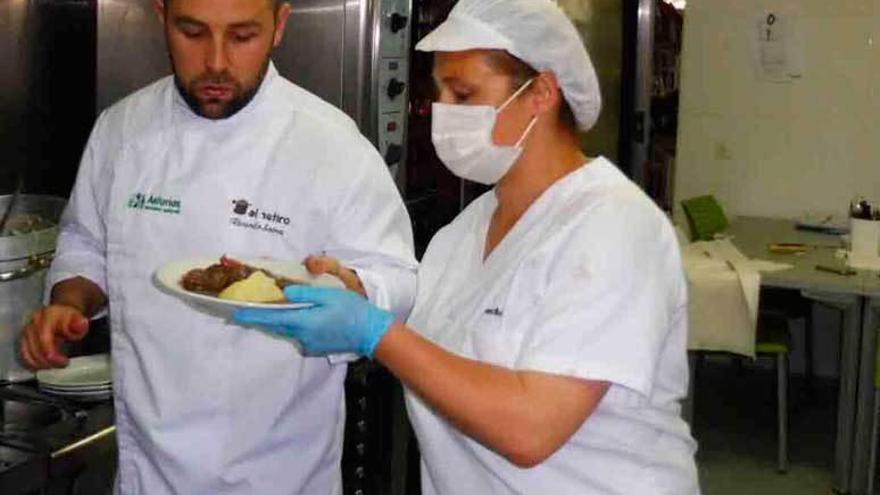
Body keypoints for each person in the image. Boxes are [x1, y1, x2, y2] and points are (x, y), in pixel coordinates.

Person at [234, 0, 699, 494]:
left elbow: (531, 428)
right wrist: (357, 294)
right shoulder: (462, 235)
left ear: (541, 92)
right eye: (440, 93)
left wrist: (375, 332)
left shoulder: (614, 226)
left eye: (464, 93)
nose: (444, 114)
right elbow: (437, 352)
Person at [20, 0, 417, 493]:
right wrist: (68, 303)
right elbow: (86, 241)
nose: (215, 62)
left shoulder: (333, 147)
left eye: (242, 36)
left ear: (280, 26)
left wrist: (358, 292)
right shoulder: (121, 130)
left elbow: (397, 278)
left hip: (281, 477)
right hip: (149, 474)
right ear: (162, 17)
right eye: (192, 33)